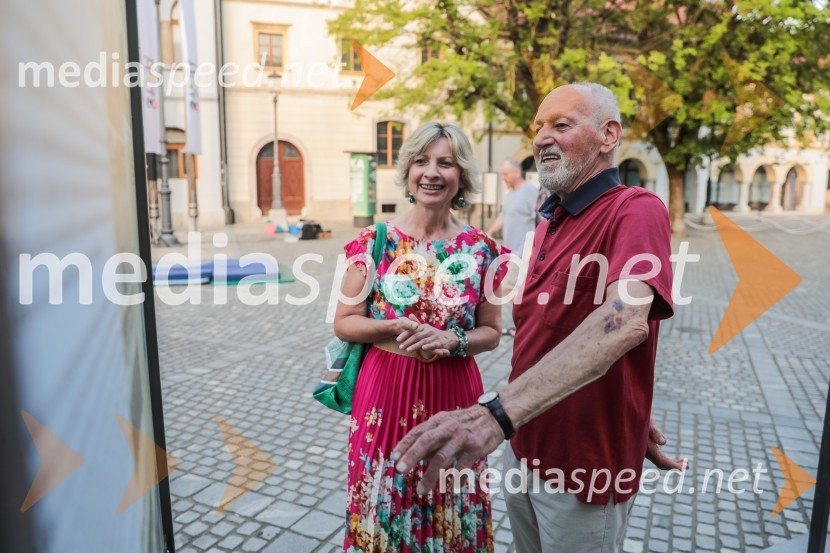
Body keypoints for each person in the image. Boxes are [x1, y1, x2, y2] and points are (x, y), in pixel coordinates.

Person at [390, 83, 686, 552]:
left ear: (609, 135)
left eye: (561, 125)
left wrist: (495, 415)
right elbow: (548, 333)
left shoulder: (635, 209)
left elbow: (626, 319)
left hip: (585, 465)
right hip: (524, 448)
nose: (542, 137)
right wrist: (629, 405)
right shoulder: (550, 221)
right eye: (539, 127)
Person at [334, 121, 508, 552]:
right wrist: (392, 326)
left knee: (452, 500)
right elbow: (345, 321)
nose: (431, 172)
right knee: (384, 503)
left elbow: (492, 332)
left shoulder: (483, 249)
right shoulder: (374, 241)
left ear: (461, 176)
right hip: (385, 394)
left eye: (445, 163)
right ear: (408, 172)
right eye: (421, 161)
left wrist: (454, 340)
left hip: (454, 393)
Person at [486, 159, 540, 337]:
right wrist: (487, 233)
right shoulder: (510, 194)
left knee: (508, 288)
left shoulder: (530, 192)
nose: (503, 177)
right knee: (514, 290)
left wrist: (533, 248)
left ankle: (525, 324)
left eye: (505, 174)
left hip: (523, 251)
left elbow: (541, 219)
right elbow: (503, 216)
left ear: (517, 173)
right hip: (510, 251)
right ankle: (524, 325)